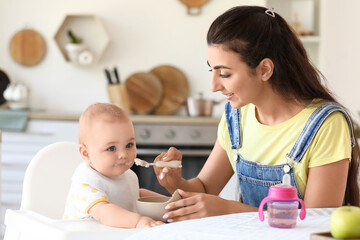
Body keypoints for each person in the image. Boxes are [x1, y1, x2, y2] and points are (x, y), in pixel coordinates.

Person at [154, 6, 360, 223]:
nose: (214, 86)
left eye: (224, 73)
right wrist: (175, 182)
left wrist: (227, 209)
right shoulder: (236, 118)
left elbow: (317, 221)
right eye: (211, 70)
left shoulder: (326, 124)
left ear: (264, 70)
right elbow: (204, 188)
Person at [63, 102, 164, 228]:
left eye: (129, 145)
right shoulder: (85, 180)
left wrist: (171, 203)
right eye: (111, 148)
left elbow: (135, 195)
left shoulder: (128, 175)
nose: (123, 154)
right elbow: (104, 212)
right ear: (86, 154)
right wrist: (138, 221)